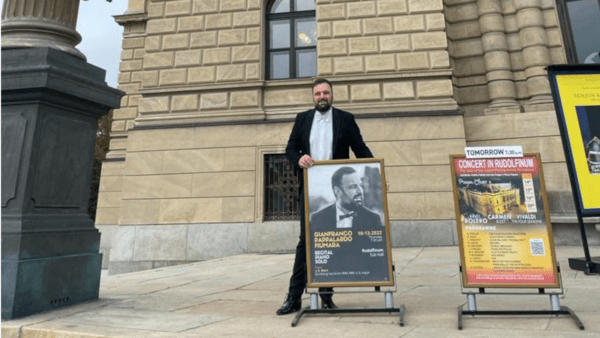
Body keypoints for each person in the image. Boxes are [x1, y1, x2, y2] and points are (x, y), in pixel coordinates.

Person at [276, 78, 374, 315]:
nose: (322, 96)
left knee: (332, 239)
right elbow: (290, 149)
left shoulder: (345, 119)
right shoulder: (303, 119)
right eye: (318, 93)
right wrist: (298, 158)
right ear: (313, 96)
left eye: (326, 92)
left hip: (340, 189)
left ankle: (326, 296)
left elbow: (359, 148)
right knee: (306, 241)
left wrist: (376, 171)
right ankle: (294, 297)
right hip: (311, 189)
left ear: (332, 95)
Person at [310, 166, 382, 232]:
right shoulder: (318, 219)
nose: (360, 191)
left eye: (360, 185)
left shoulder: (373, 219)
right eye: (353, 186)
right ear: (338, 191)